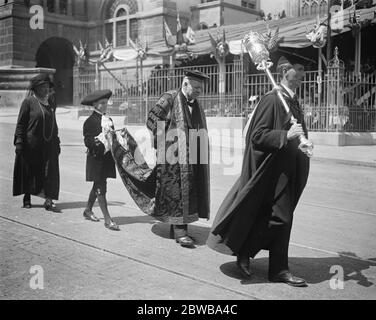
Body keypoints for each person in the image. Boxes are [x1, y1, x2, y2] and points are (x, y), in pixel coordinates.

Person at [206, 56, 310, 287]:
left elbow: (296, 133)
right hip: (271, 172)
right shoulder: (272, 100)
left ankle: (261, 258)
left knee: (282, 218)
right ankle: (274, 267)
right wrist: (286, 136)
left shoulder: (292, 100)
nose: (303, 74)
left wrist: (303, 143)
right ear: (285, 71)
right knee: (280, 218)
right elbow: (257, 135)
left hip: (289, 169)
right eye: (299, 69)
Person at [146, 70, 211, 248]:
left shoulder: (196, 104)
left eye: (201, 88)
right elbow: (152, 120)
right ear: (185, 84)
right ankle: (180, 233)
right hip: (172, 156)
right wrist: (163, 144)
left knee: (190, 191)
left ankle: (180, 229)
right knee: (176, 191)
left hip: (192, 156)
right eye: (196, 87)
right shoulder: (169, 98)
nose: (199, 91)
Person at [13, 74, 60, 211]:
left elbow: (54, 124)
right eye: (43, 87)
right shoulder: (28, 102)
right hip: (31, 144)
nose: (46, 89)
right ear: (36, 89)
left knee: (49, 171)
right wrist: (19, 142)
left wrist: (56, 141)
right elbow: (21, 124)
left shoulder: (50, 102)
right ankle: (27, 196)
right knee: (30, 171)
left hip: (48, 144)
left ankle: (48, 199)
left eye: (47, 86)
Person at [82, 89, 120, 231]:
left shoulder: (109, 120)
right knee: (101, 188)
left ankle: (87, 210)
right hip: (96, 159)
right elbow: (87, 140)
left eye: (106, 103)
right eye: (101, 103)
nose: (105, 105)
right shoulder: (90, 121)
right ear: (95, 104)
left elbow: (113, 138)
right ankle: (107, 220)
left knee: (99, 184)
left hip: (106, 159)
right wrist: (97, 142)